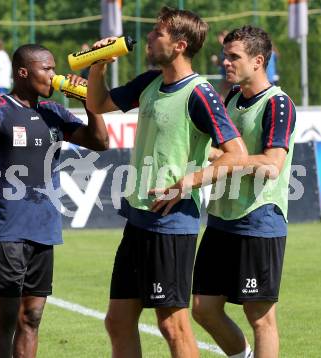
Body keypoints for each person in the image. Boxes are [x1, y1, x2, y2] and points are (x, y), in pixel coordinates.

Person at [87, 6, 247, 358]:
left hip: (171, 225)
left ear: (178, 44)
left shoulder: (200, 93)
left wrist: (189, 182)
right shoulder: (149, 82)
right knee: (117, 321)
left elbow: (237, 153)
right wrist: (97, 65)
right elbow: (97, 103)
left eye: (157, 33)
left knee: (172, 325)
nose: (148, 37)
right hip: (139, 219)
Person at [0, 44, 108, 358]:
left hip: (44, 228)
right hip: (5, 228)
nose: (54, 76)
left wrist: (88, 101)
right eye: (47, 69)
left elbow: (100, 142)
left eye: (54, 68)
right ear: (23, 73)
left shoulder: (53, 112)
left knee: (33, 317)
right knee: (7, 318)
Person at [191, 25, 296, 358]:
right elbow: (219, 152)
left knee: (260, 317)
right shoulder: (233, 98)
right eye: (225, 56)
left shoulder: (278, 104)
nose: (226, 63)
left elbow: (271, 165)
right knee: (203, 307)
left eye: (234, 57)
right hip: (222, 218)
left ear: (258, 61)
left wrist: (227, 160)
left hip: (259, 219)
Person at [210, 29, 231, 100]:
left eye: (223, 36)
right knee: (223, 95)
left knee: (224, 95)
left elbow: (227, 63)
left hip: (229, 76)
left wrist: (217, 61)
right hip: (224, 76)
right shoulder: (223, 49)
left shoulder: (230, 49)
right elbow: (223, 63)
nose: (220, 39)